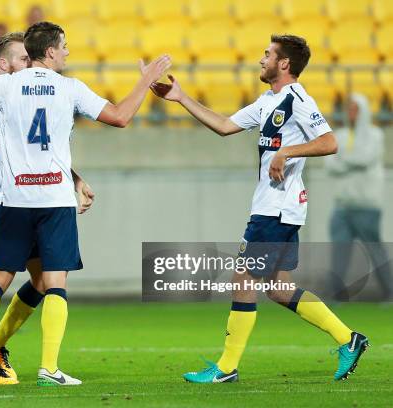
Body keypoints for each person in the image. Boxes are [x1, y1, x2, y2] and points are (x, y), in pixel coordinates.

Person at [0, 21, 170, 386]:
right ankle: (30, 365)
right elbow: (119, 117)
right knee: (53, 283)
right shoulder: (66, 87)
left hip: (14, 199)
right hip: (29, 200)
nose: (68, 53)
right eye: (65, 47)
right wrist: (146, 80)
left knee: (1, 281)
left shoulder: (3, 87)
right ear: (50, 52)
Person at [149, 34, 368, 383]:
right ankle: (349, 339)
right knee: (279, 288)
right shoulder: (269, 101)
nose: (260, 59)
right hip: (277, 207)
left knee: (243, 279)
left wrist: (286, 153)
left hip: (276, 209)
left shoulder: (297, 99)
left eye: (267, 55)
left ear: (284, 64)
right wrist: (180, 98)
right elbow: (224, 126)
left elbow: (330, 142)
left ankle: (226, 368)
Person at [325, 93, 391, 301]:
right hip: (342, 205)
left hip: (367, 204)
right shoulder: (340, 135)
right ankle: (336, 295)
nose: (351, 113)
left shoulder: (375, 134)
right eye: (349, 109)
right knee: (339, 253)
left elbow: (364, 159)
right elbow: (330, 164)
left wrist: (342, 159)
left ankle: (390, 292)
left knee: (375, 251)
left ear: (363, 111)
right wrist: (347, 161)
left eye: (355, 109)